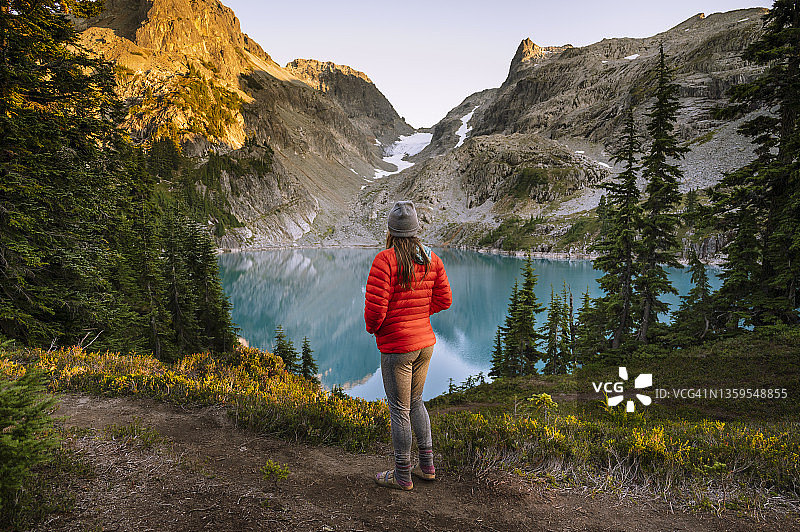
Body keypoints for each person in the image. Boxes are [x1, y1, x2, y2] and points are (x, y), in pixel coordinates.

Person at [364, 201, 452, 491]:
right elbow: (444, 300)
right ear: (415, 231)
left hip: (397, 347)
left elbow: (375, 311)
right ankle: (427, 466)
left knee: (399, 409)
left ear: (391, 232)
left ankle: (402, 475)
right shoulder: (431, 259)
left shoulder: (384, 260)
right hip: (425, 343)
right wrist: (419, 315)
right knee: (416, 403)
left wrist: (376, 329)